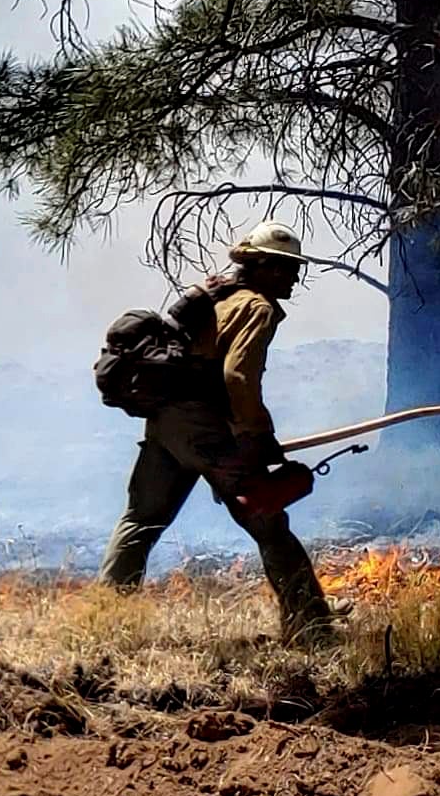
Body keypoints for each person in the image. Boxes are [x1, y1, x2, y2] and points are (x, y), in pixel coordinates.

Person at [101, 220, 342, 643]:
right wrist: (256, 436)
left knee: (141, 520)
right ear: (261, 266)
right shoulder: (257, 307)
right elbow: (238, 377)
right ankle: (313, 628)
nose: (294, 276)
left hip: (166, 423)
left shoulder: (214, 298)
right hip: (207, 429)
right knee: (268, 523)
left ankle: (103, 622)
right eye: (285, 268)